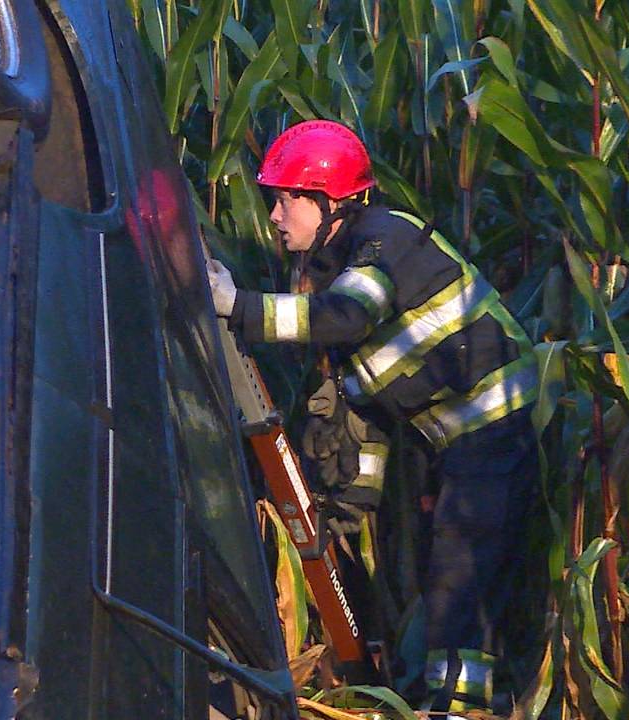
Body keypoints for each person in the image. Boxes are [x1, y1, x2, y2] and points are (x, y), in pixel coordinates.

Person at [207, 119, 538, 714]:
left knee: (459, 586)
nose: (276, 217)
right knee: (445, 588)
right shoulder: (342, 260)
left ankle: (460, 708)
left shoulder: (383, 240)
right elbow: (368, 403)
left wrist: (238, 307)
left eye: (288, 200)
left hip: (491, 435)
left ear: (331, 202)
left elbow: (345, 317)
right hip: (449, 444)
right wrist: (346, 503)